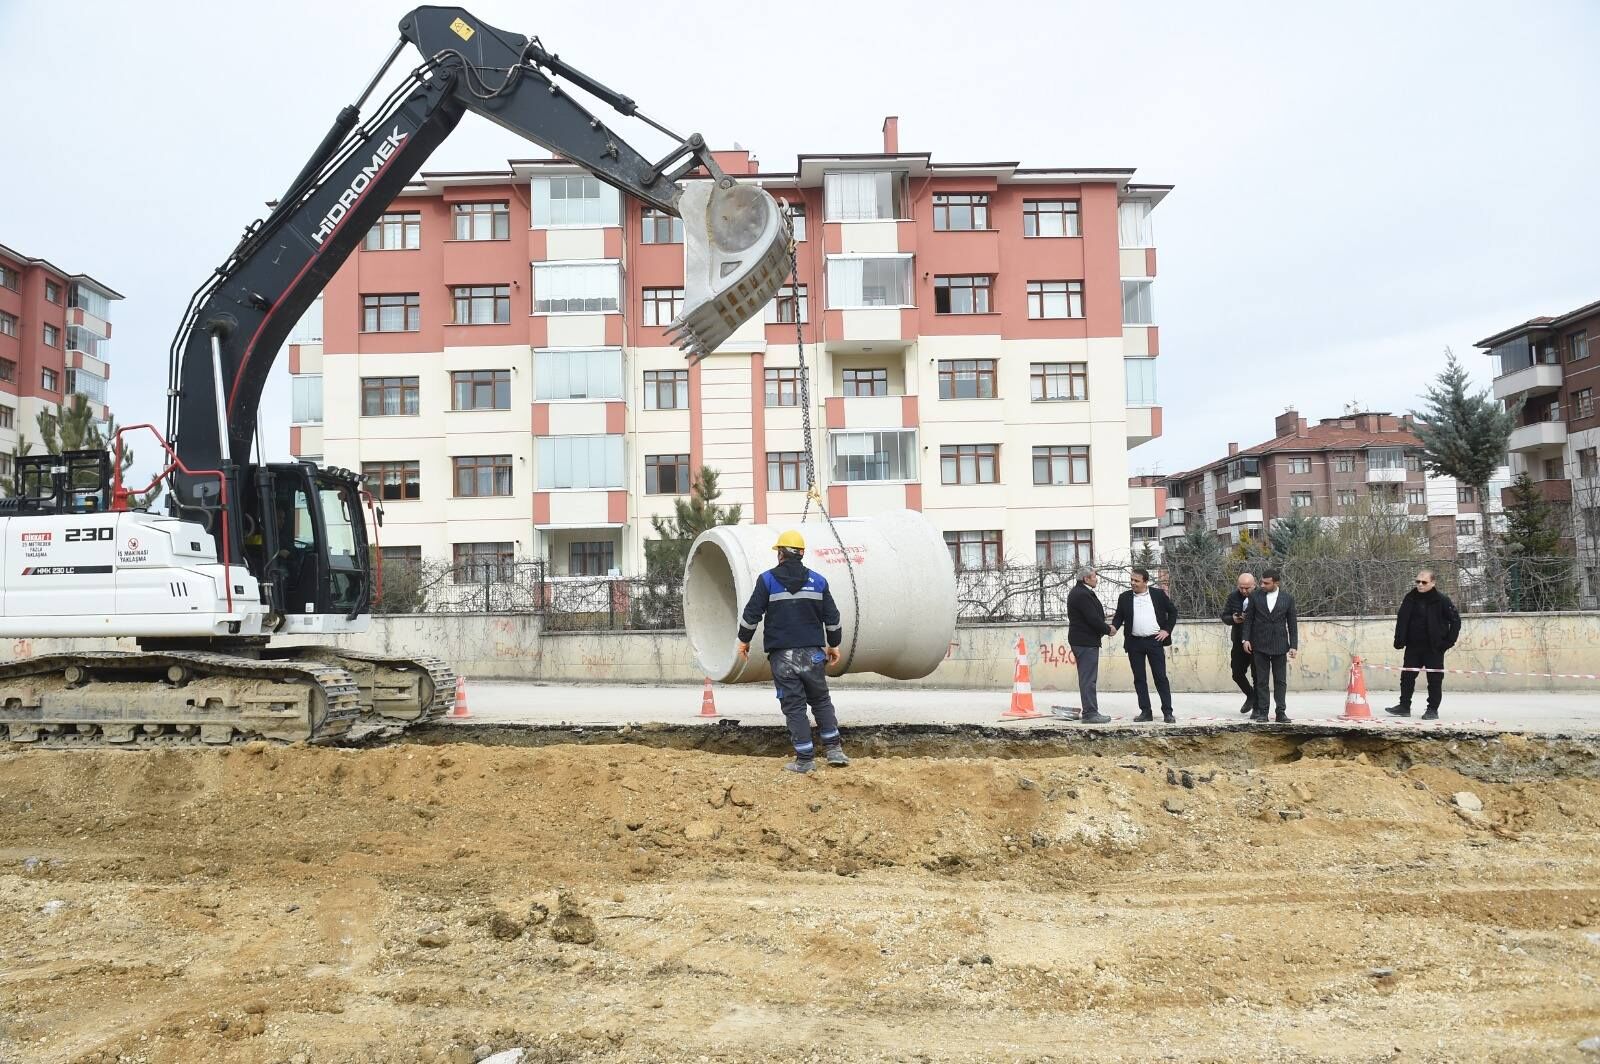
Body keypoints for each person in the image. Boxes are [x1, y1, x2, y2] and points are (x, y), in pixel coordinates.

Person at [736, 530, 848, 773]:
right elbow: (833, 618)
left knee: (794, 707)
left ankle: (806, 760)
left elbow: (751, 615)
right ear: (802, 553)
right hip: (813, 655)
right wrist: (834, 644)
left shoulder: (767, 581)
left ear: (781, 554)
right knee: (820, 700)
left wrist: (743, 640)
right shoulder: (819, 581)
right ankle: (834, 750)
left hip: (783, 657)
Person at [1384, 569, 1461, 721]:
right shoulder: (1410, 598)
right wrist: (1399, 639)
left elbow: (1456, 621)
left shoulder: (1442, 600)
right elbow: (1402, 619)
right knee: (1407, 677)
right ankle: (1404, 706)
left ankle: (1432, 709)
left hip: (1434, 647)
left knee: (1434, 679)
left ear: (1432, 583)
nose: (1420, 585)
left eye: (1424, 582)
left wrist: (1447, 643)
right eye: (1417, 581)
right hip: (1413, 647)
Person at [1111, 567, 1180, 723]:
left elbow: (1173, 612)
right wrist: (1113, 628)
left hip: (1154, 641)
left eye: (1137, 581)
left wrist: (1167, 630)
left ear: (1145, 582)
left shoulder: (1158, 595)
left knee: (1160, 677)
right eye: (1132, 580)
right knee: (1139, 678)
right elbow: (1118, 618)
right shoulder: (1125, 597)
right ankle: (1145, 711)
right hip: (1134, 642)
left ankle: (1168, 712)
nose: (1133, 583)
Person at [1242, 567, 1298, 723]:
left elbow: (1292, 624)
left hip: (1280, 645)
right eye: (1261, 582)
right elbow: (1249, 620)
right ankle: (1263, 712)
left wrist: (1293, 645)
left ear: (1276, 583)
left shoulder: (1287, 598)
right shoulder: (1255, 597)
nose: (1262, 585)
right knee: (1262, 680)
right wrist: (1245, 639)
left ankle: (1281, 712)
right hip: (1259, 645)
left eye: (1266, 583)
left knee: (1280, 681)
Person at [1061, 565, 1113, 725]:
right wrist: (1107, 629)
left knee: (1088, 677)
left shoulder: (1081, 592)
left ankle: (1091, 711)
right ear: (1086, 579)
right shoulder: (1082, 594)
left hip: (1083, 640)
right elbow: (1092, 618)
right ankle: (1090, 713)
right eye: (1094, 576)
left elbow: (1091, 615)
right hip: (1085, 641)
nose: (1096, 579)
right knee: (1088, 678)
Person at [1220, 572, 1258, 714]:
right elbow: (1224, 616)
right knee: (1237, 673)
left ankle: (1258, 708)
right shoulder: (1233, 596)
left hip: (1256, 642)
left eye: (1247, 588)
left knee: (1257, 675)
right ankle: (1251, 695)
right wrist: (1233, 619)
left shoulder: (1260, 596)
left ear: (1254, 585)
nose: (1244, 591)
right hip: (1238, 640)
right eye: (1241, 587)